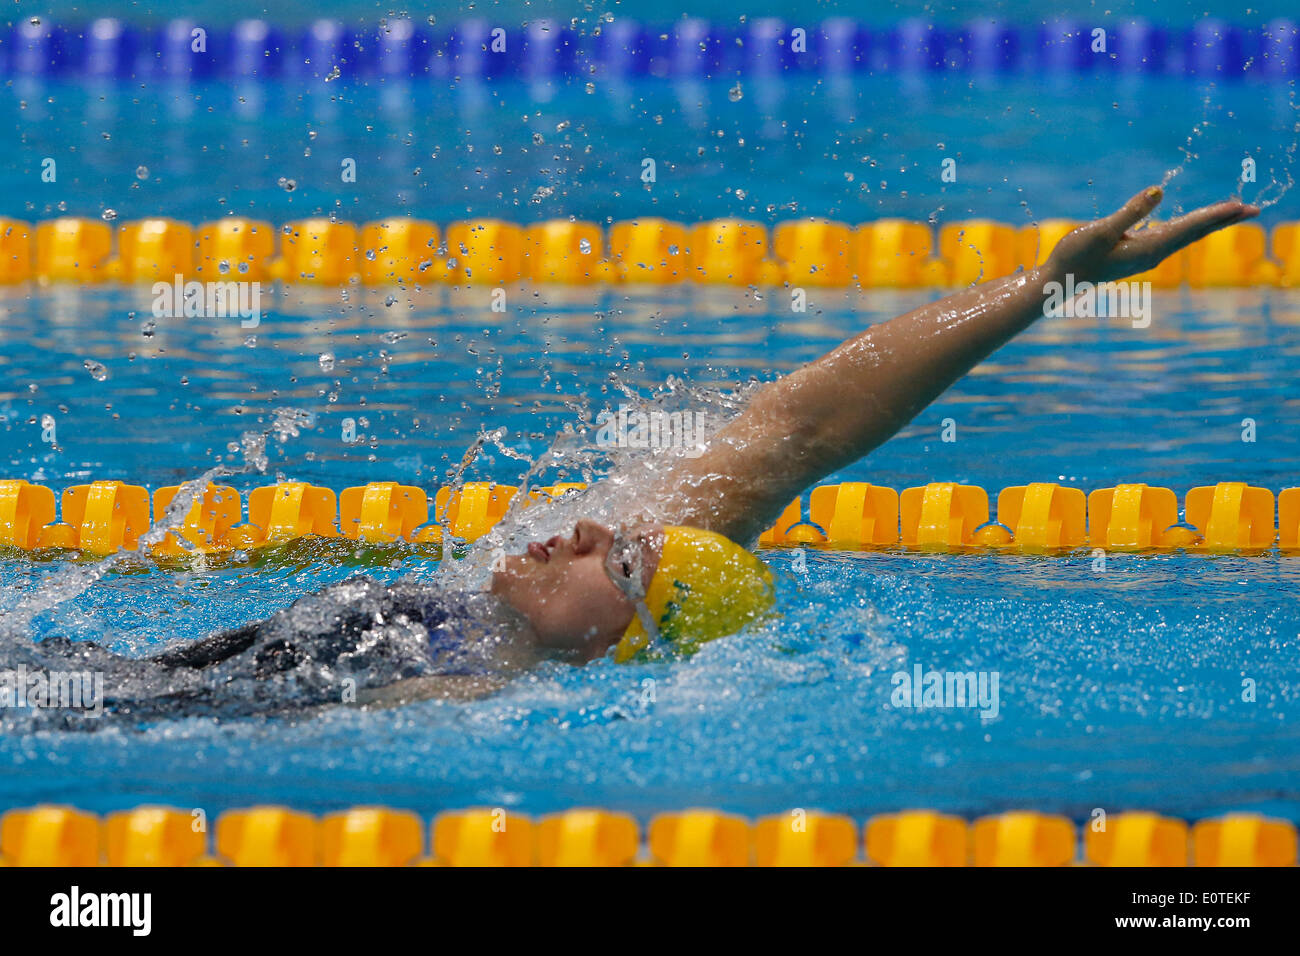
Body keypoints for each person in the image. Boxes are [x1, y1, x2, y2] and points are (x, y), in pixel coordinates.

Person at [21, 187, 1257, 719]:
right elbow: (801, 430)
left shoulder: (464, 691)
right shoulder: (517, 597)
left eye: (616, 559)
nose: (584, 527)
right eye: (619, 533)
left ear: (620, 636)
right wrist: (1042, 284)